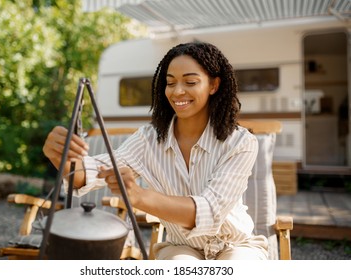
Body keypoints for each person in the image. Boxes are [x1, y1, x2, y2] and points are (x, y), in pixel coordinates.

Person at [43, 42, 268, 260]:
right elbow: (89, 173)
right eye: (170, 83)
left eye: (190, 82)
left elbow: (209, 210)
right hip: (182, 246)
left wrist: (138, 196)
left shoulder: (240, 142)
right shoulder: (148, 140)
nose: (178, 91)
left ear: (213, 85)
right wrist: (62, 156)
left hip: (236, 246)